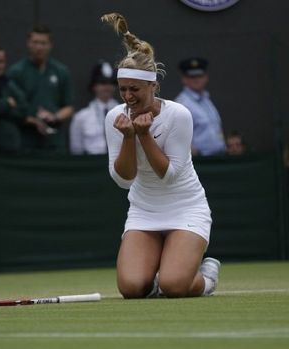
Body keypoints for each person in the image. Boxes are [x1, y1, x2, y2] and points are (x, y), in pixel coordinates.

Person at [101, 13, 220, 299]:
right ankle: (157, 274)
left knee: (175, 286)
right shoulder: (115, 118)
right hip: (144, 211)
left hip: (186, 208)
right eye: (123, 89)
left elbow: (169, 176)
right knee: (132, 288)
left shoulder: (179, 115)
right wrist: (129, 137)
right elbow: (123, 180)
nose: (128, 96)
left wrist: (143, 135)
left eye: (135, 89)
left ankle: (206, 277)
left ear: (153, 87)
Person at [8, 24, 74, 152]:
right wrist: (33, 121)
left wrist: (54, 117)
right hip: (25, 143)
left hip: (55, 143)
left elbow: (69, 107)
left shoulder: (61, 71)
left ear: (50, 45)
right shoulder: (16, 72)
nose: (39, 47)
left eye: (43, 43)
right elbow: (11, 108)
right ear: (28, 43)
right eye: (35, 42)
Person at [175, 57, 226, 156]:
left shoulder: (206, 100)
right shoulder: (182, 104)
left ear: (206, 77)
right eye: (192, 77)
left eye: (200, 76)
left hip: (219, 157)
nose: (197, 79)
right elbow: (178, 138)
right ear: (184, 79)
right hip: (200, 162)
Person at [69, 60, 119, 154]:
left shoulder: (125, 113)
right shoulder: (81, 117)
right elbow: (76, 150)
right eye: (103, 82)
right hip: (91, 165)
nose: (107, 86)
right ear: (94, 86)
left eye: (111, 82)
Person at [0, 44, 27, 153]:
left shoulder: (9, 84)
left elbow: (24, 110)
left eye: (0, 62)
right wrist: (7, 103)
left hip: (10, 148)